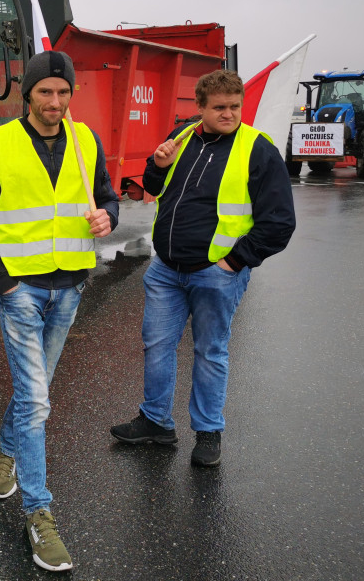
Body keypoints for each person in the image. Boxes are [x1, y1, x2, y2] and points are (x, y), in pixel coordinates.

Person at [0, 50, 119, 573]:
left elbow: (107, 198)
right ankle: (39, 513)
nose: (55, 102)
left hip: (70, 288)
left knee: (37, 391)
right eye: (46, 92)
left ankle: (5, 455)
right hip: (21, 292)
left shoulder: (85, 141)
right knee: (36, 401)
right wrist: (3, 284)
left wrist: (107, 219)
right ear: (28, 93)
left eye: (63, 92)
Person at [110, 69, 296, 467]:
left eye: (235, 107)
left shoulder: (258, 149)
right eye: (219, 108)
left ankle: (208, 431)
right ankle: (156, 422)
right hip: (166, 269)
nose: (229, 114)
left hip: (216, 272)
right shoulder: (182, 137)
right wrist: (157, 166)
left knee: (210, 351)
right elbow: (155, 189)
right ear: (200, 108)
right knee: (157, 345)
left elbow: (279, 221)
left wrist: (234, 262)